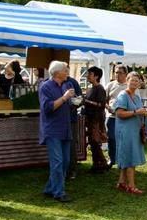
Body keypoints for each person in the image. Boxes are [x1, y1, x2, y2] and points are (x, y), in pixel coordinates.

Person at [39, 61, 76, 203]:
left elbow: (68, 103)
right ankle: (59, 192)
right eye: (65, 70)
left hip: (65, 128)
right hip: (53, 129)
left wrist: (74, 101)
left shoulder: (66, 85)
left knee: (65, 161)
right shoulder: (45, 87)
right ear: (57, 72)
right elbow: (48, 108)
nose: (67, 72)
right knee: (57, 162)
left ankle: (50, 188)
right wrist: (65, 98)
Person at [114, 72, 147, 195]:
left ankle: (121, 182)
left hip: (134, 130)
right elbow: (119, 113)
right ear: (127, 81)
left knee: (127, 155)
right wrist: (136, 112)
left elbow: (139, 111)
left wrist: (143, 113)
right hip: (125, 131)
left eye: (136, 81)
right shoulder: (123, 95)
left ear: (139, 83)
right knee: (130, 157)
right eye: (132, 80)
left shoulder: (137, 97)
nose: (134, 82)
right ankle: (131, 186)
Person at [83, 66, 109, 173]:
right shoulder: (91, 89)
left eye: (90, 74)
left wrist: (86, 101)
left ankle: (102, 164)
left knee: (95, 142)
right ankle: (96, 165)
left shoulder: (100, 89)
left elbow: (101, 105)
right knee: (92, 142)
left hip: (96, 119)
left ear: (96, 76)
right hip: (90, 118)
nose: (87, 76)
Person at [106, 66, 128, 167]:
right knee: (111, 137)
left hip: (125, 117)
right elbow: (104, 99)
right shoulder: (110, 85)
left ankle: (123, 158)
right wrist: (108, 108)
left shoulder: (129, 86)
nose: (117, 75)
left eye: (120, 73)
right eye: (116, 72)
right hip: (112, 116)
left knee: (124, 139)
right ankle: (112, 158)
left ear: (125, 74)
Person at [63, 72, 83, 180]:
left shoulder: (72, 82)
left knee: (71, 145)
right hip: (58, 121)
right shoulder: (51, 83)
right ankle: (61, 171)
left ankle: (71, 170)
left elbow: (80, 98)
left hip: (71, 119)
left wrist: (76, 103)